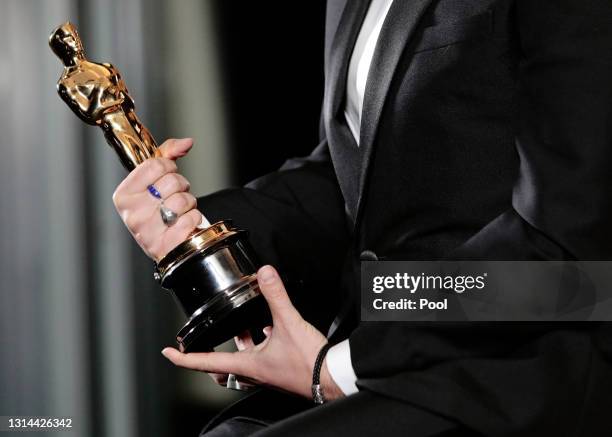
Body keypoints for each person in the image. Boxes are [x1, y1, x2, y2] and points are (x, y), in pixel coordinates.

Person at [112, 0, 612, 435]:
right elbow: (353, 173)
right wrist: (196, 225)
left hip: (527, 366)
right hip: (398, 352)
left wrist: (343, 366)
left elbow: (564, 268)